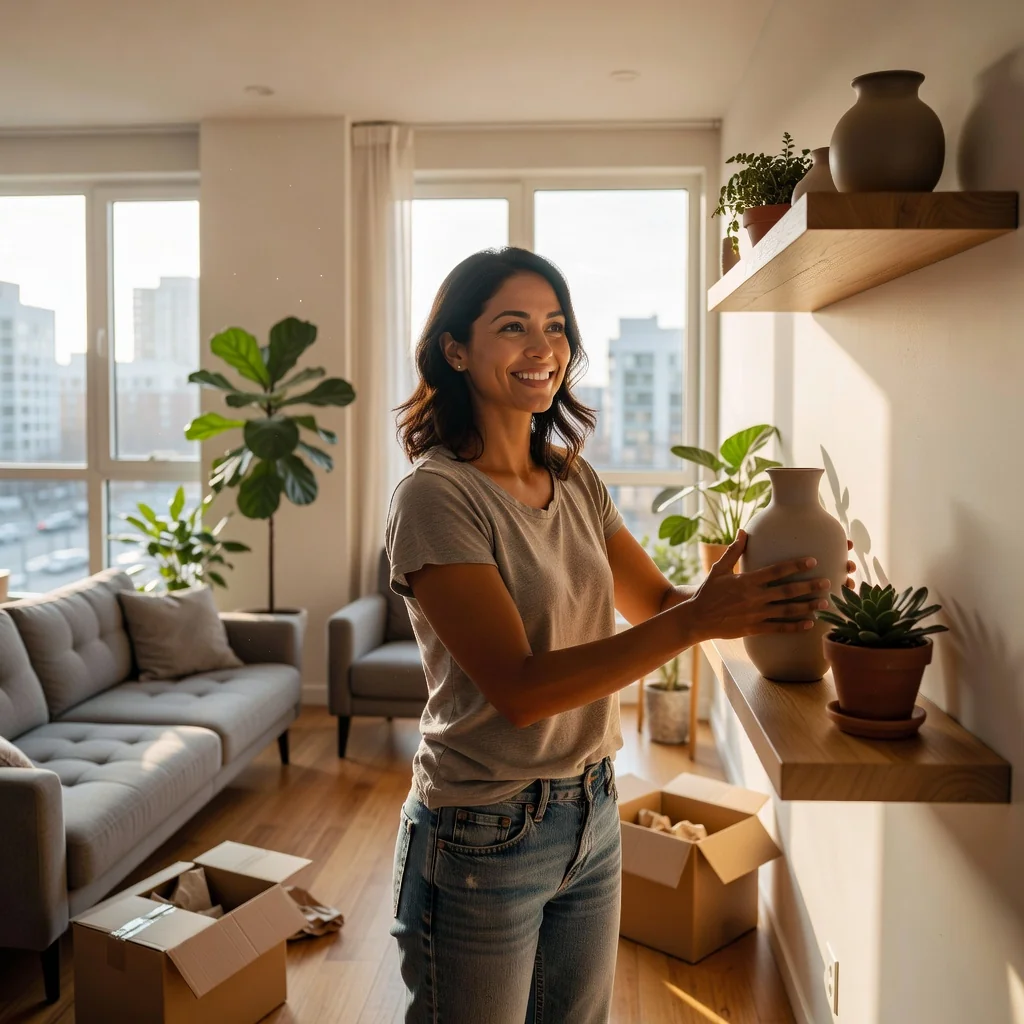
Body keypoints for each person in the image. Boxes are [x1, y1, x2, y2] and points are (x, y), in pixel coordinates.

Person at [385, 247, 854, 1023]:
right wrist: (694, 620)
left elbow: (660, 603)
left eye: (555, 325)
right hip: (480, 832)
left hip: (594, 808)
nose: (543, 347)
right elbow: (521, 690)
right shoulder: (436, 498)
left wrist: (771, 595)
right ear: (455, 350)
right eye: (513, 326)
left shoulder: (573, 477)